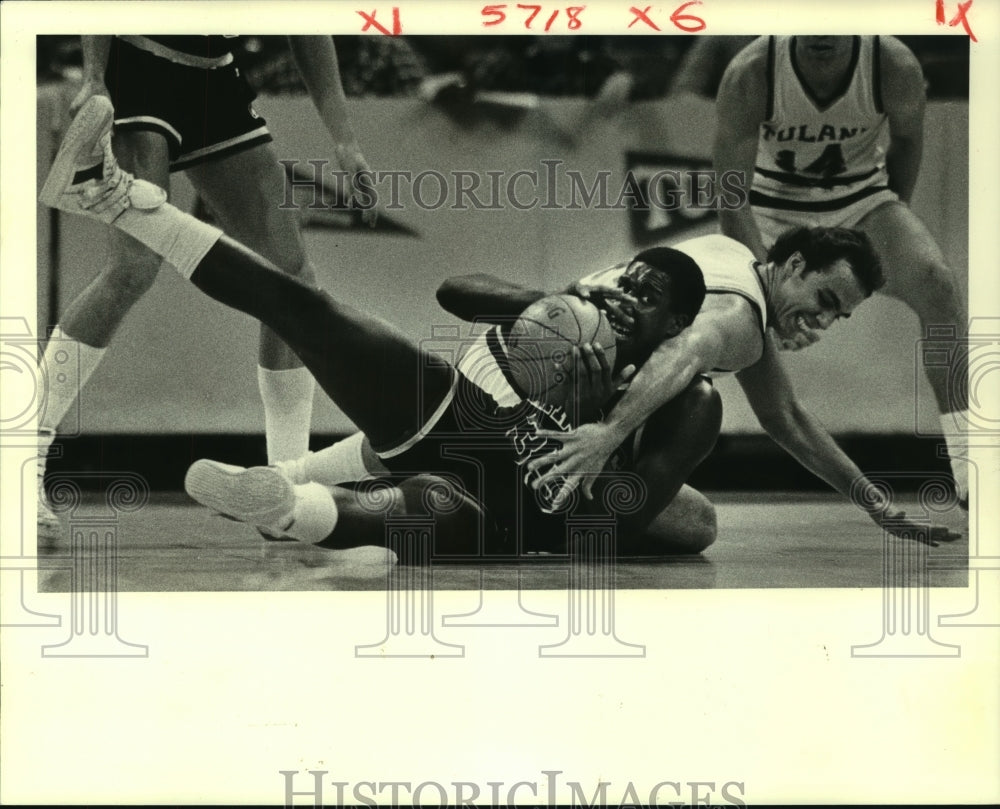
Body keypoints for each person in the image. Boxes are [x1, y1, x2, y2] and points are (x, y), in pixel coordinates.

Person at [40, 95, 719, 556]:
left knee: (420, 507)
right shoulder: (575, 312)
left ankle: (286, 507)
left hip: (523, 515)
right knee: (311, 309)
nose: (625, 296)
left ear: (679, 323)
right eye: (625, 281)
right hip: (469, 419)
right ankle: (114, 195)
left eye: (648, 295)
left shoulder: (693, 400)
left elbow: (617, 520)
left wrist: (582, 431)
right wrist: (546, 328)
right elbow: (459, 290)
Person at [36, 35, 376, 537]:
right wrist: (94, 75)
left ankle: (281, 487)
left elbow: (307, 29)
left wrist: (345, 140)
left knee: (292, 284)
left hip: (216, 79)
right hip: (138, 67)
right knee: (132, 269)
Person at [713, 35, 969, 503]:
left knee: (938, 285)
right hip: (770, 206)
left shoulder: (892, 64)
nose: (822, 32)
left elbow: (908, 143)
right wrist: (767, 294)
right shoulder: (752, 70)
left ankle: (971, 462)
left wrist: (875, 240)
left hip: (859, 199)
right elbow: (731, 199)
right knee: (727, 308)